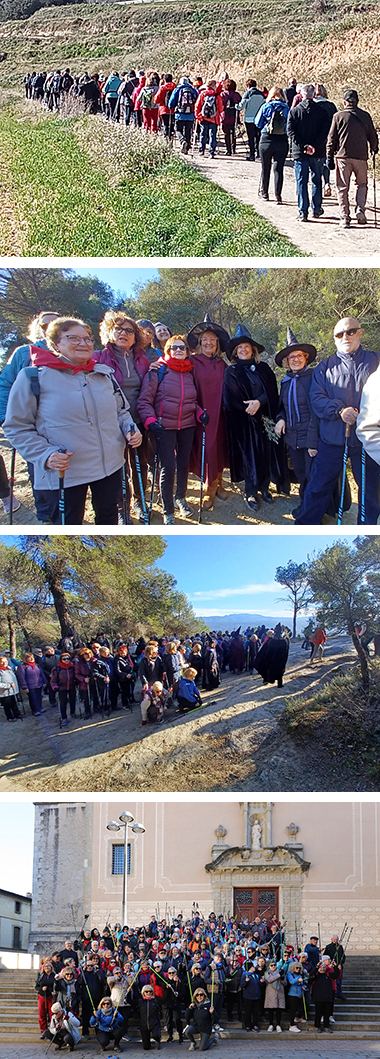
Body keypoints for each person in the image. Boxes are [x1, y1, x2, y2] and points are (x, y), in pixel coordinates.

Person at [3, 316, 142, 525]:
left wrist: (131, 429)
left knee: (109, 519)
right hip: (66, 472)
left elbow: (121, 411)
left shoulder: (104, 375)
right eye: (73, 338)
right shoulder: (33, 377)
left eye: (87, 339)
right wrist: (44, 454)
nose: (83, 343)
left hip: (110, 467)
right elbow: (16, 427)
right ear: (55, 343)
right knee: (69, 527)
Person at [295, 317, 380, 524]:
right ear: (334, 339)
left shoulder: (376, 362)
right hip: (332, 440)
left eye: (350, 331)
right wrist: (340, 410)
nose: (345, 337)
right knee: (318, 487)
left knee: (370, 493)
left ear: (360, 333)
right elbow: (317, 399)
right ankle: (305, 525)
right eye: (340, 334)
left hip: (366, 443)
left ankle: (366, 531)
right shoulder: (324, 367)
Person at [137, 334, 207, 524]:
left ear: (187, 352)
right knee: (168, 467)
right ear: (168, 350)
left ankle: (180, 498)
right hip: (163, 427)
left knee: (183, 464)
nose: (178, 350)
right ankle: (168, 509)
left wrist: (200, 413)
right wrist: (150, 421)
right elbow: (144, 401)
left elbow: (192, 401)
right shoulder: (158, 371)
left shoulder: (189, 372)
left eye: (181, 348)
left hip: (187, 426)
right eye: (174, 347)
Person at [223, 327, 286, 511]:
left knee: (265, 453)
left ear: (253, 349)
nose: (243, 350)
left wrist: (259, 402)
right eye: (239, 347)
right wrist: (248, 408)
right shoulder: (231, 371)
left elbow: (273, 392)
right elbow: (229, 398)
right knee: (248, 455)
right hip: (243, 422)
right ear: (235, 351)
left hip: (265, 418)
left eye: (247, 347)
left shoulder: (264, 368)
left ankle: (264, 488)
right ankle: (250, 491)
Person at [96, 310, 150, 523]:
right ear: (110, 332)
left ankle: (140, 499)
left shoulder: (143, 360)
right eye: (118, 329)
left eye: (129, 330)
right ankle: (122, 506)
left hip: (138, 419)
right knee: (118, 465)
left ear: (135, 337)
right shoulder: (98, 358)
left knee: (140, 462)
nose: (123, 333)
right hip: (110, 422)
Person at [274, 327, 319, 512]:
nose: (296, 359)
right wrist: (280, 419)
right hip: (293, 438)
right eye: (292, 357)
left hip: (311, 438)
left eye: (299, 356)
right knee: (300, 473)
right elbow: (282, 408)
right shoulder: (285, 382)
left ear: (305, 358)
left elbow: (317, 411)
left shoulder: (315, 378)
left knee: (312, 475)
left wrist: (313, 442)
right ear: (287, 361)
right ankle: (305, 504)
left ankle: (312, 510)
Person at [187, 316, 230, 510]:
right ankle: (208, 488)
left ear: (217, 343)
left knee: (220, 448)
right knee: (208, 449)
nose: (209, 342)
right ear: (199, 342)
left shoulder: (222, 364)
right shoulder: (192, 362)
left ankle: (219, 482)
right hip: (202, 414)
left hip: (222, 413)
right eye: (205, 339)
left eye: (213, 339)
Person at [326, 88, 378, 227]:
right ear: (357, 102)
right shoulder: (365, 116)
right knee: (362, 184)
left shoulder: (338, 116)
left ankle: (345, 217)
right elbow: (373, 136)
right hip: (361, 156)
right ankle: (360, 209)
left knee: (342, 187)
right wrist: (374, 148)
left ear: (344, 102)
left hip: (343, 157)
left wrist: (329, 156)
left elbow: (331, 139)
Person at [287, 83, 332, 220]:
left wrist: (303, 146)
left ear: (301, 95)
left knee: (301, 181)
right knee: (316, 179)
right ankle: (317, 208)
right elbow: (326, 131)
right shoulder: (322, 112)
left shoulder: (294, 112)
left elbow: (291, 132)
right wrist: (315, 145)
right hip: (317, 151)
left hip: (300, 152)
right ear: (314, 95)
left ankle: (303, 211)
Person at [255, 86, 290, 202]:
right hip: (282, 140)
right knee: (278, 168)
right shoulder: (286, 109)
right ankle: (278, 195)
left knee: (265, 167)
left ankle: (264, 193)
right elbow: (290, 125)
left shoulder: (266, 106)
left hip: (266, 139)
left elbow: (258, 123)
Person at [237, 79, 265, 160]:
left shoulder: (248, 93)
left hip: (249, 119)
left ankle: (252, 154)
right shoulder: (261, 94)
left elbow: (241, 106)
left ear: (248, 86)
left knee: (251, 137)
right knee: (259, 136)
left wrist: (236, 106)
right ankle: (259, 154)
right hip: (259, 118)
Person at [169, 76, 198, 153]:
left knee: (178, 129)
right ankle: (187, 148)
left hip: (179, 114)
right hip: (191, 115)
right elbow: (197, 100)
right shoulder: (193, 90)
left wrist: (171, 107)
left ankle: (182, 141)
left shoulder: (177, 89)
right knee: (188, 131)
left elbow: (172, 101)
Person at [254, 624, 289, 688]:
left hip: (271, 660)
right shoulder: (284, 641)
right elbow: (286, 652)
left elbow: (264, 650)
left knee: (268, 669)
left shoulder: (271, 641)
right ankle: (280, 684)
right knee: (280, 671)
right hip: (280, 660)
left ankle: (266, 680)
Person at [195, 80, 223, 158]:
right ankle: (211, 152)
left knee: (203, 134)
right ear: (214, 86)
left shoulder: (203, 94)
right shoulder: (217, 96)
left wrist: (198, 115)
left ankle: (201, 150)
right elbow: (221, 108)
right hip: (214, 118)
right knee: (212, 135)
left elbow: (197, 105)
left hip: (203, 117)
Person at [309, 958, 339, 1032]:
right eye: (321, 967)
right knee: (318, 1013)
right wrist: (316, 967)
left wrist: (335, 966)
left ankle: (326, 1026)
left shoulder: (328, 975)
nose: (322, 969)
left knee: (327, 1013)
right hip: (318, 998)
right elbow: (311, 974)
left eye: (324, 968)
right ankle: (317, 1026)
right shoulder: (315, 976)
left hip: (327, 997)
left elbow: (336, 974)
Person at [51, 653, 76, 726]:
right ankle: (64, 717)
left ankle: (73, 712)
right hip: (62, 688)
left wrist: (76, 681)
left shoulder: (72, 667)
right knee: (63, 703)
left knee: (72, 700)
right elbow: (53, 680)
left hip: (72, 686)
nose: (66, 660)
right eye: (64, 659)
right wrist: (54, 686)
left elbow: (76, 675)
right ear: (61, 660)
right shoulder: (57, 668)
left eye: (68, 658)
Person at [220, 79, 242, 155]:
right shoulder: (237, 95)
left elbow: (220, 105)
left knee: (226, 134)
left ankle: (228, 150)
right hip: (234, 118)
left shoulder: (222, 94)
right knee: (233, 134)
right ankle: (233, 149)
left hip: (224, 117)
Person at [138, 982, 162, 1050]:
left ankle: (157, 1041)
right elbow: (130, 1001)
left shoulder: (155, 1001)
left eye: (150, 991)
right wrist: (129, 992)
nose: (148, 993)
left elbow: (165, 998)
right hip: (144, 1024)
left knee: (156, 1035)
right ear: (143, 993)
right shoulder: (140, 1001)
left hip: (154, 1023)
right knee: (146, 1047)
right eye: (146, 991)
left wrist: (167, 988)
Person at [264, 959, 285, 1032]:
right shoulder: (267, 972)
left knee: (279, 1010)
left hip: (279, 993)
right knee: (271, 1010)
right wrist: (278, 975)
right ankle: (271, 1025)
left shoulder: (280, 971)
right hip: (271, 993)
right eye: (271, 965)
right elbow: (269, 980)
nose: (273, 966)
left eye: (274, 965)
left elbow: (285, 983)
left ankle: (278, 1025)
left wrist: (282, 978)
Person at [0, 655, 21, 721]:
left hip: (12, 690)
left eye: (5, 661)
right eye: (2, 662)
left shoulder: (9, 668)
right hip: (4, 692)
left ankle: (17, 714)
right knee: (7, 705)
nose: (4, 663)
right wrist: (8, 686)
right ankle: (10, 717)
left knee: (14, 703)